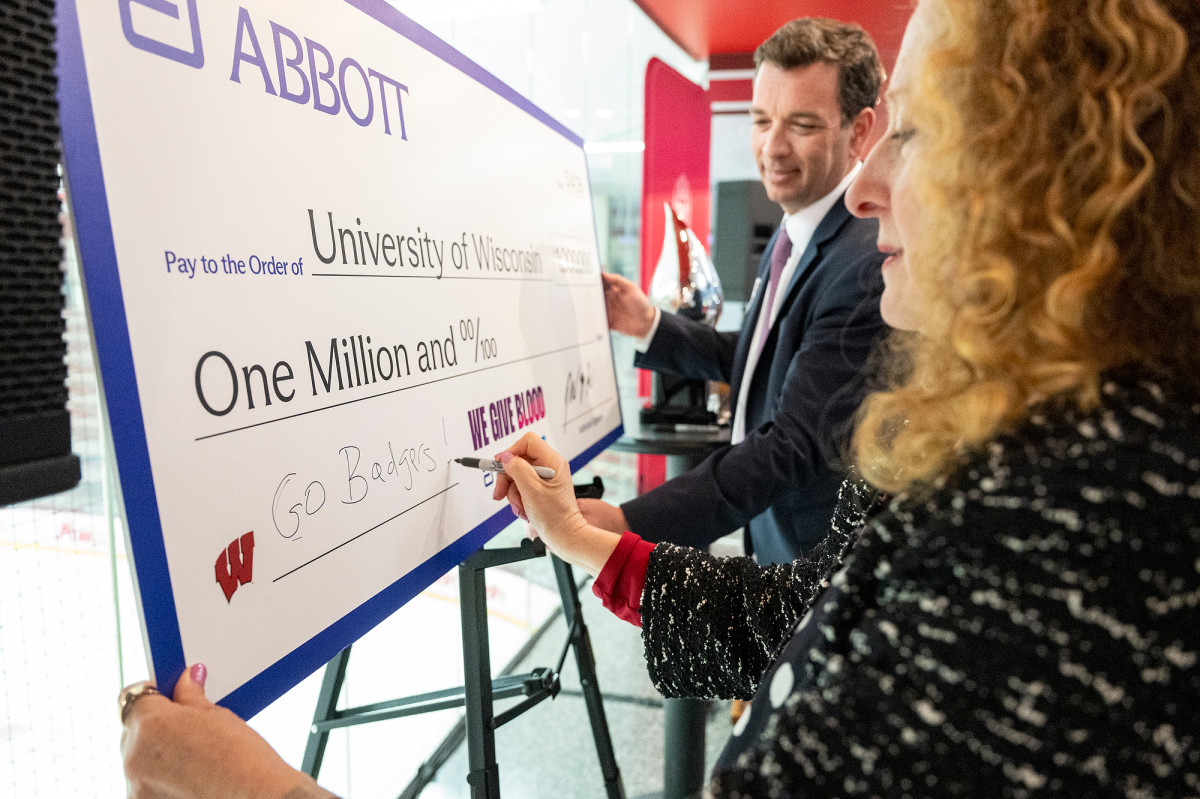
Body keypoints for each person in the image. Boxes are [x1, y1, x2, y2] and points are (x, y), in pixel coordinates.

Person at [120, 0, 1200, 795]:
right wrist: (595, 537)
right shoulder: (1012, 452)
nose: (872, 193)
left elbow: (791, 469)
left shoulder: (1067, 534)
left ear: (1057, 176)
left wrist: (256, 788)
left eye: (918, 137)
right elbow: (809, 612)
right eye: (763, 122)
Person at [591, 17, 888, 564]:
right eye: (760, 120)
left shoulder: (865, 262)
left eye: (801, 124)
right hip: (778, 537)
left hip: (814, 561)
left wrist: (629, 522)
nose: (772, 147)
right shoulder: (797, 224)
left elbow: (791, 446)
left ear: (861, 129)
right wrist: (647, 324)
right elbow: (763, 361)